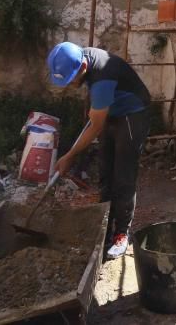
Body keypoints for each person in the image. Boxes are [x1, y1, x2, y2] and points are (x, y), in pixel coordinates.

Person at [47, 41, 151, 259]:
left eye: (71, 79)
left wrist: (69, 156)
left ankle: (121, 234)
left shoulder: (102, 77)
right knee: (105, 173)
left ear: (82, 68)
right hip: (112, 111)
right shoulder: (80, 57)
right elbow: (97, 118)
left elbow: (96, 125)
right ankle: (103, 225)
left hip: (132, 114)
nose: (70, 84)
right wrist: (97, 111)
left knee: (123, 177)